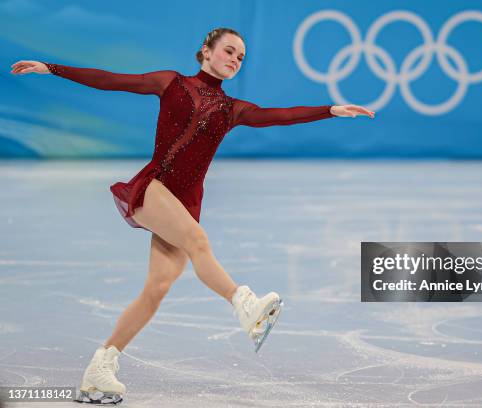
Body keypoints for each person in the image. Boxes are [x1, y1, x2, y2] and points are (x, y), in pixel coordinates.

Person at [10, 27, 374, 404]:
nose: (235, 59)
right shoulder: (172, 83)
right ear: (206, 51)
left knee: (156, 290)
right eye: (229, 51)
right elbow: (114, 81)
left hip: (185, 203)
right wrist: (50, 68)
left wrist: (329, 110)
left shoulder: (233, 109)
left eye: (240, 57)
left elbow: (278, 116)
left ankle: (100, 368)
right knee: (199, 242)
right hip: (154, 188)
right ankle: (244, 302)